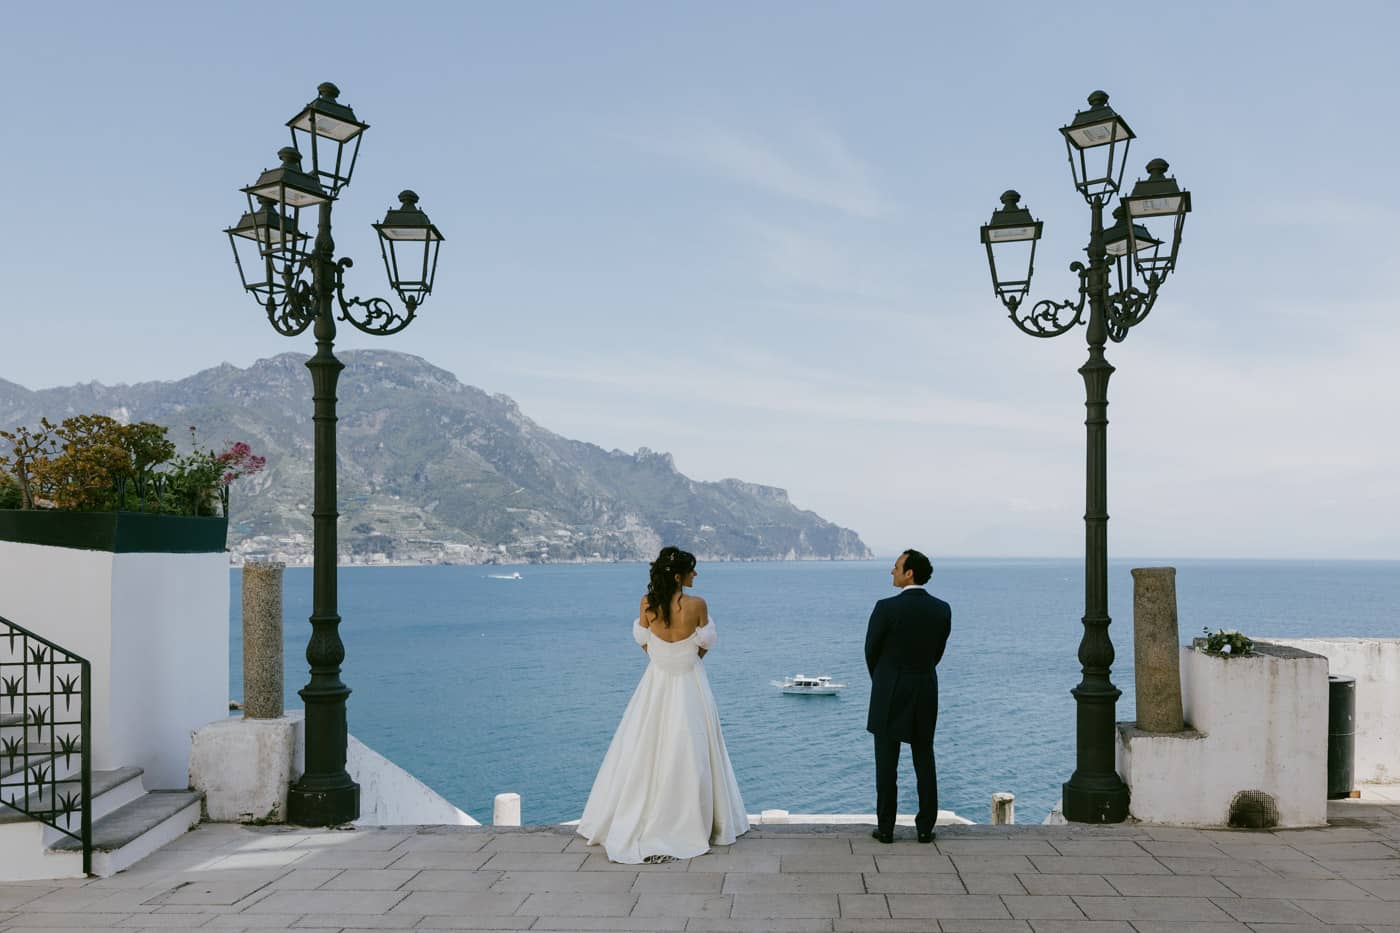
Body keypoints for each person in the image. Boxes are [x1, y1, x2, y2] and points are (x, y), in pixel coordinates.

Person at [577, 546, 749, 863]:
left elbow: (645, 642)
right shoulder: (698, 605)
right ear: (678, 575)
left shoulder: (647, 604)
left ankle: (640, 815)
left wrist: (664, 662)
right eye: (692, 570)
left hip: (654, 683)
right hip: (691, 684)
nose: (696, 575)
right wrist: (684, 662)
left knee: (643, 747)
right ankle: (694, 821)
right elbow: (703, 646)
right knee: (692, 750)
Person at [865, 548, 952, 844]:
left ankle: (886, 828)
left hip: (889, 689)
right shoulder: (942, 609)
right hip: (925, 688)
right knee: (924, 756)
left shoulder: (885, 608)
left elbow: (871, 652)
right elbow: (937, 652)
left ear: (909, 572)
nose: (892, 571)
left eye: (896, 566)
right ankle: (925, 827)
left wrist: (884, 680)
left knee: (886, 762)